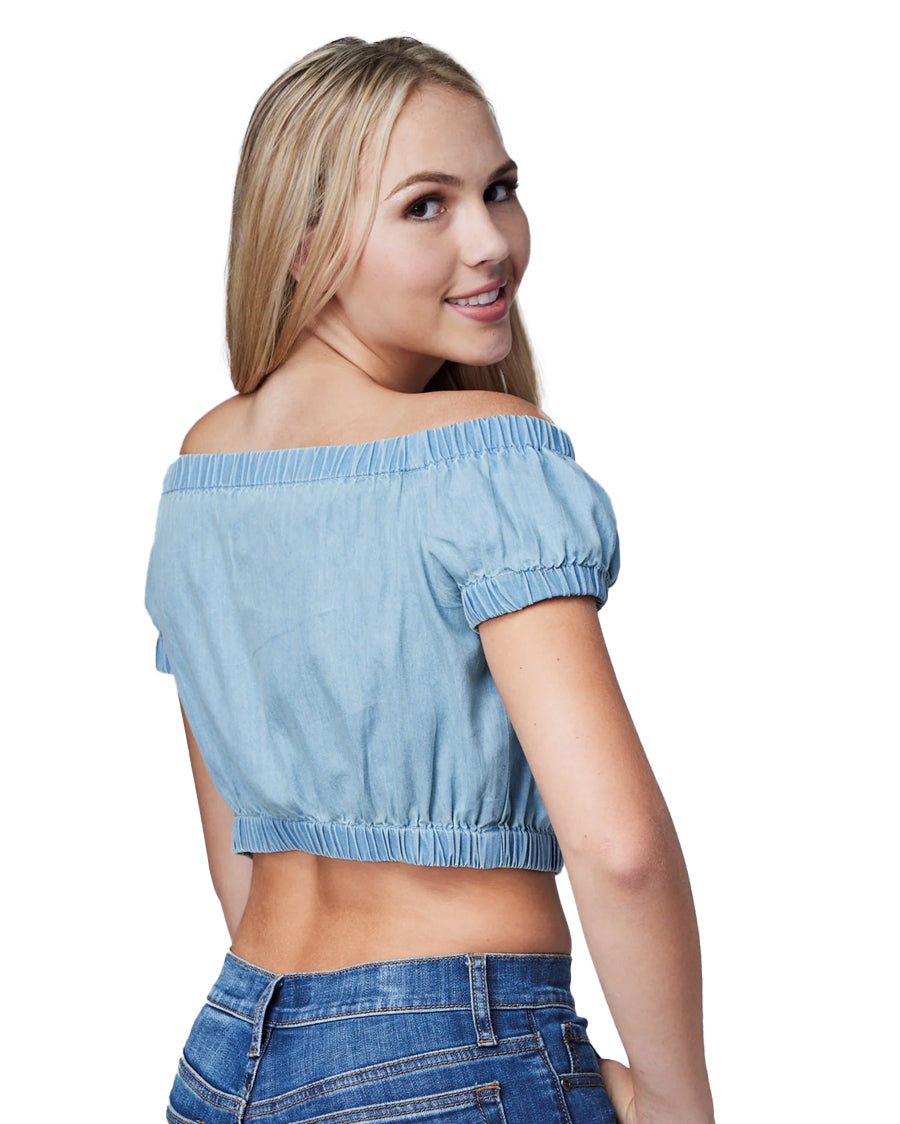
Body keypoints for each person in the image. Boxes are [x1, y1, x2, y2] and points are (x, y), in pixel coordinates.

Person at [145, 35, 715, 1124]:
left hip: (235, 1055)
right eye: (425, 206)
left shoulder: (203, 472)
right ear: (302, 244)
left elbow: (240, 862)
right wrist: (677, 1101)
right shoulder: (485, 457)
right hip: (461, 1046)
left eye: (498, 189)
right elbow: (620, 848)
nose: (490, 240)